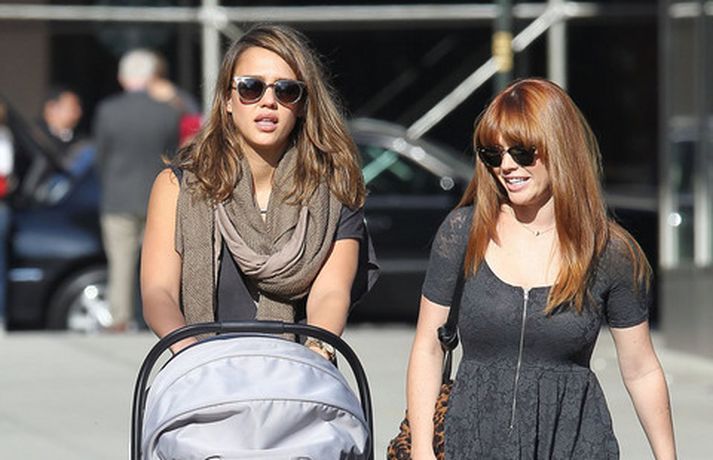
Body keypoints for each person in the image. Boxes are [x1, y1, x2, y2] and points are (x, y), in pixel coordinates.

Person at [405, 78, 676, 459]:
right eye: (492, 154)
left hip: (574, 445)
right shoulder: (463, 232)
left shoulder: (610, 252)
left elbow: (641, 369)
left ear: (560, 148)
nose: (507, 166)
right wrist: (421, 448)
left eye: (522, 152)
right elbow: (428, 347)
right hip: (473, 442)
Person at [140, 24, 375, 357]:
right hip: (202, 371)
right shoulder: (176, 186)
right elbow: (158, 293)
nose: (268, 102)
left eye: (286, 91)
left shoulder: (335, 189)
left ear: (303, 104)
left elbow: (332, 293)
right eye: (251, 88)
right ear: (227, 99)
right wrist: (191, 356)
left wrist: (316, 353)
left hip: (299, 372)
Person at [94, 48, 182, 332]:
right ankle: (156, 318)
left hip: (118, 197)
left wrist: (108, 183)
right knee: (159, 262)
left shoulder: (107, 111)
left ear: (122, 78)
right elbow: (173, 155)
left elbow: (101, 157)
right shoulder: (167, 112)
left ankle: (120, 318)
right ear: (151, 77)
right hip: (158, 197)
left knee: (120, 262)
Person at [37, 86, 83, 157]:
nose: (78, 112)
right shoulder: (34, 135)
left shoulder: (77, 143)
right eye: (73, 107)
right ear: (52, 108)